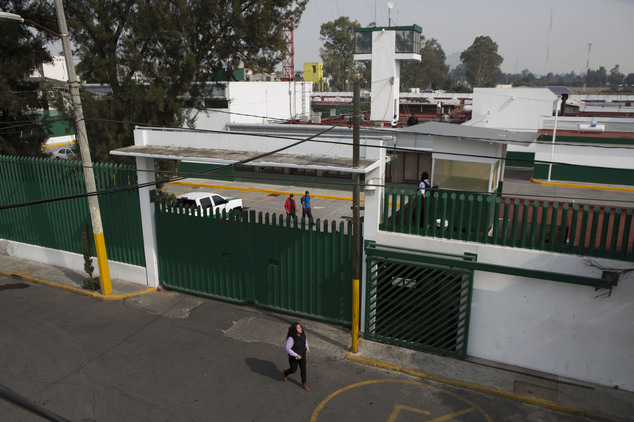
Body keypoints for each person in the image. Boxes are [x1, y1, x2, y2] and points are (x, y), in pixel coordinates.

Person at [282, 322, 310, 391]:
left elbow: (305, 341)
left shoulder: (303, 334)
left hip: (302, 355)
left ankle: (304, 383)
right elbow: (287, 348)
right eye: (298, 328)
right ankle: (285, 372)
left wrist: (307, 347)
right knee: (293, 370)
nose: (301, 329)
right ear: (295, 330)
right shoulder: (291, 338)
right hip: (294, 357)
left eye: (300, 327)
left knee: (303, 369)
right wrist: (296, 355)